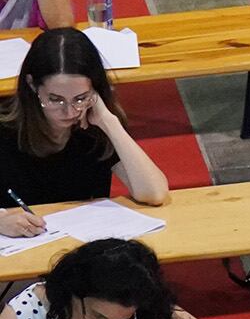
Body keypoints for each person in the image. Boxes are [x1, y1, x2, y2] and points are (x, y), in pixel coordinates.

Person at [0, 31, 168, 224]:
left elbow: (154, 193)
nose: (70, 112)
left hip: (84, 242)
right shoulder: (5, 128)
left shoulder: (95, 126)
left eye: (80, 98)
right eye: (55, 100)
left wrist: (109, 122)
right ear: (32, 85)